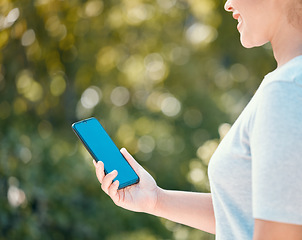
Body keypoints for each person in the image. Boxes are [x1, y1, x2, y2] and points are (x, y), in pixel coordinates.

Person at [93, 0, 302, 238]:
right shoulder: (288, 83)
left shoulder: (288, 88)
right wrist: (156, 200)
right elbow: (246, 217)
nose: (228, 5)